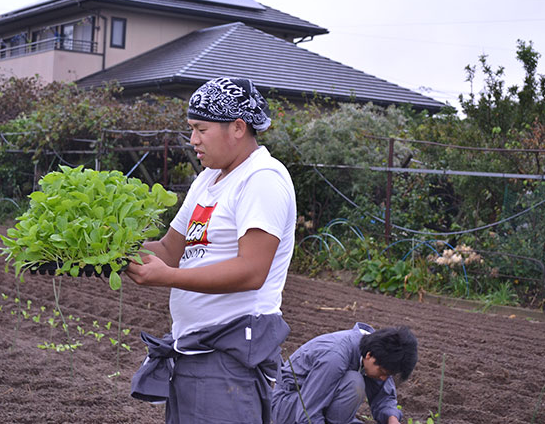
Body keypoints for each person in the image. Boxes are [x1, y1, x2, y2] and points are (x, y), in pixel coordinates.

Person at [125, 76, 297, 424]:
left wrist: (168, 278)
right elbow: (169, 250)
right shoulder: (208, 179)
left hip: (229, 357)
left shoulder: (261, 179)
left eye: (201, 128)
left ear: (237, 127)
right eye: (191, 128)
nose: (193, 140)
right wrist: (103, 253)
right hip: (193, 351)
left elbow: (252, 270)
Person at [272, 323, 418, 424]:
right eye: (383, 372)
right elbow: (307, 413)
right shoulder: (335, 357)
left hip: (312, 403)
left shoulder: (378, 352)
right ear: (369, 356)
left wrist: (391, 418)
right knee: (354, 382)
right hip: (289, 405)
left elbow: (383, 397)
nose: (383, 378)